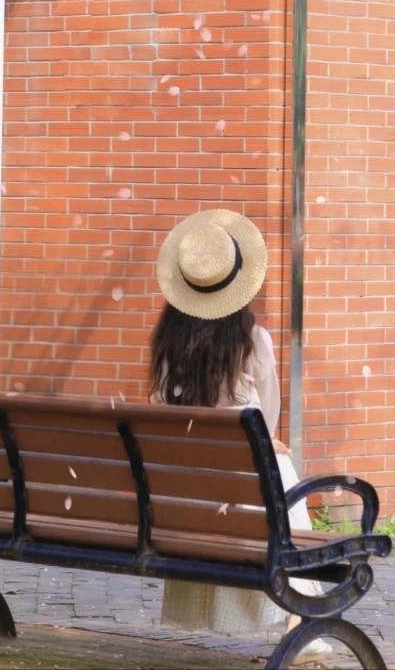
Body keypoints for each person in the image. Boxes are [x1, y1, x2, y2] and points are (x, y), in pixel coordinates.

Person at [150, 208, 330, 657]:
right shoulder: (253, 341)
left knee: (263, 466)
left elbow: (160, 412)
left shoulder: (168, 346)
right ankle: (299, 619)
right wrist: (263, 442)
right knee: (279, 469)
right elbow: (267, 417)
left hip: (184, 496)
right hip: (244, 490)